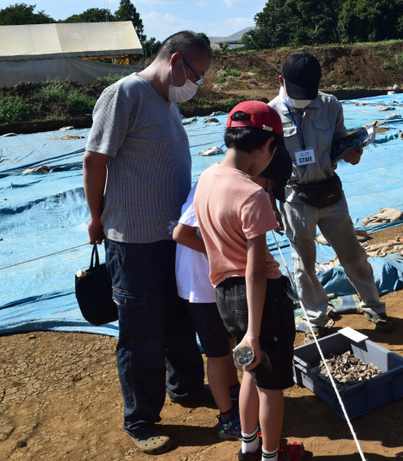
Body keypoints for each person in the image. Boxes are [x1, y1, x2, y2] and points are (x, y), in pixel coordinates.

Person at [83, 31, 213, 454]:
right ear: (175, 61)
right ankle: (140, 419)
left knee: (178, 318)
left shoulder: (168, 101)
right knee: (141, 330)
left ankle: (187, 388)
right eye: (196, 74)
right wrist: (95, 216)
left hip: (171, 236)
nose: (196, 85)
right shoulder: (125, 94)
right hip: (134, 240)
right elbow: (94, 158)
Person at [194, 101, 305, 461]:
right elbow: (256, 271)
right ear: (267, 146)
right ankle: (272, 456)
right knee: (271, 386)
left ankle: (249, 448)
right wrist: (255, 332)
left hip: (224, 294)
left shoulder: (207, 178)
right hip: (260, 299)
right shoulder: (252, 194)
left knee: (248, 371)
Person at [268, 52, 393, 342]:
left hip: (330, 193)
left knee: (354, 255)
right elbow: (267, 165)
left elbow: (340, 142)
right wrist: (271, 203)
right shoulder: (271, 114)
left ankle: (374, 307)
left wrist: (353, 153)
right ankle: (317, 319)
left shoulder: (329, 105)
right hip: (296, 198)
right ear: (281, 81)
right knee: (304, 265)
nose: (304, 100)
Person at [172, 149, 292, 442]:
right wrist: (225, 257)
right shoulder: (222, 187)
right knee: (222, 355)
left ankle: (244, 426)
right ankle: (232, 422)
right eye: (270, 188)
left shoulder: (221, 181)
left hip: (223, 285)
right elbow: (181, 233)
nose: (268, 194)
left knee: (239, 356)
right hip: (206, 285)